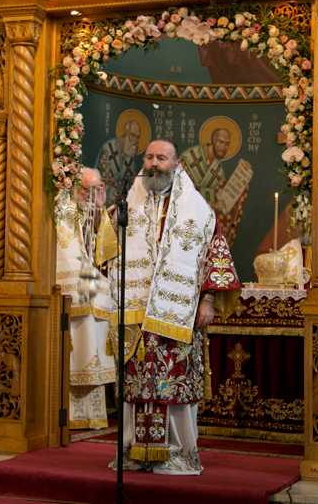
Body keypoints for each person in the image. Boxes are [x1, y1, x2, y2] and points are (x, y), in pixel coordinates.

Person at [106, 139, 241, 475]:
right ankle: (133, 451)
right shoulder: (125, 206)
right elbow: (104, 251)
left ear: (176, 164)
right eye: (149, 157)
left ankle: (178, 453)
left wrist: (208, 299)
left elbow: (216, 253)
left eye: (161, 158)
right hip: (135, 314)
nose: (154, 163)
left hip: (176, 315)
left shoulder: (198, 209)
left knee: (174, 382)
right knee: (136, 384)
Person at [56, 168, 116, 428]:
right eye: (87, 189)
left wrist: (98, 209)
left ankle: (92, 416)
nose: (93, 194)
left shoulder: (101, 213)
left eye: (99, 188)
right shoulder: (61, 210)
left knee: (92, 346)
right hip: (67, 293)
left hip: (93, 293)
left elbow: (105, 251)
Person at [95, 120, 141, 203]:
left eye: (137, 137)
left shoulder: (130, 155)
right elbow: (101, 181)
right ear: (126, 132)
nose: (135, 140)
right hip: (106, 202)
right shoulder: (108, 150)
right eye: (132, 135)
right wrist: (116, 195)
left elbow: (133, 184)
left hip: (123, 204)